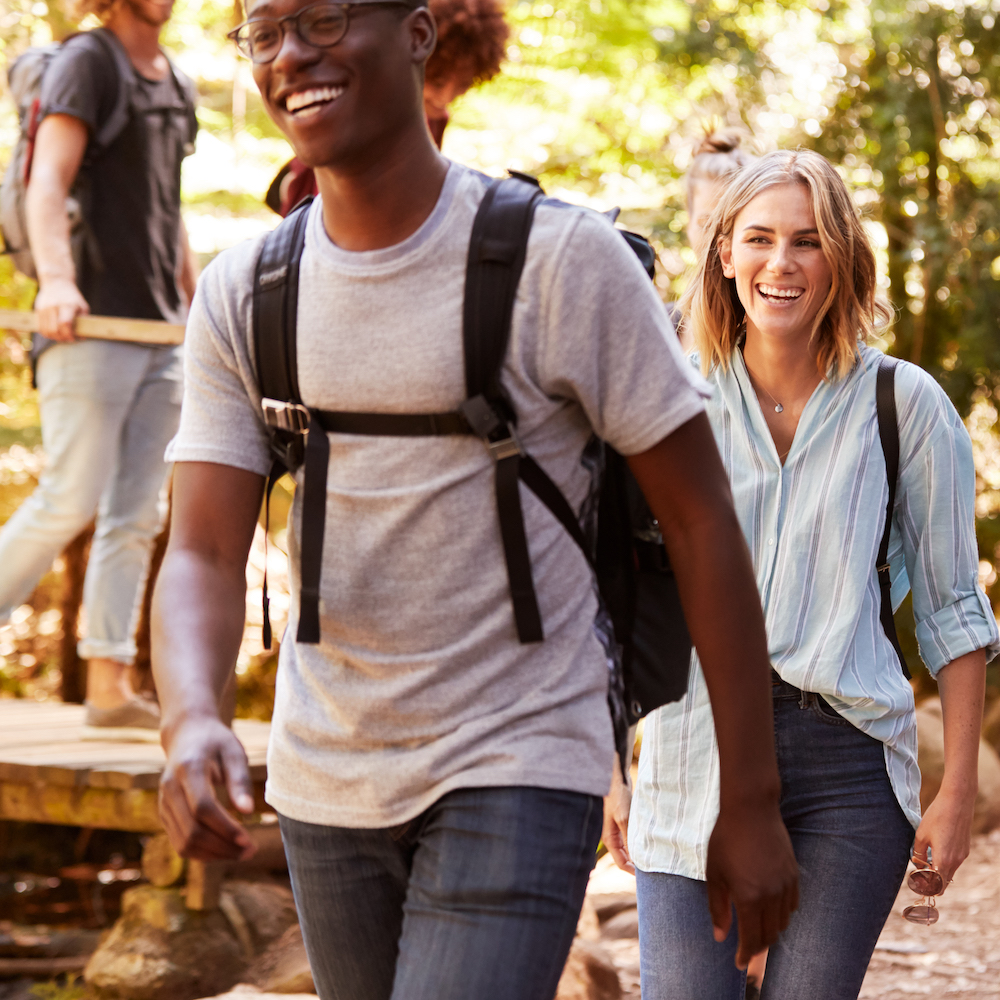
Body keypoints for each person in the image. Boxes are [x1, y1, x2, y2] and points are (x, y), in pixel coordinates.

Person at [151, 2, 798, 997]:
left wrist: (750, 798)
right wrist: (192, 715)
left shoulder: (559, 262)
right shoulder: (247, 292)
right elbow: (199, 547)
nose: (289, 56)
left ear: (416, 34)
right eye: (262, 32)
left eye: (321, 18)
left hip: (522, 753)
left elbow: (702, 516)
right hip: (326, 774)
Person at [607, 149, 1000, 1000]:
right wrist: (611, 763)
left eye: (808, 241)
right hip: (690, 752)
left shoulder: (906, 406)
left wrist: (956, 790)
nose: (781, 264)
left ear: (843, 259)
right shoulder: (668, 399)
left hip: (847, 764)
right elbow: (617, 593)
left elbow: (952, 612)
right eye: (759, 239)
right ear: (724, 254)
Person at [0, 0, 198, 737]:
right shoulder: (89, 60)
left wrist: (195, 296)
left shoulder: (173, 79)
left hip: (158, 330)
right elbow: (45, 182)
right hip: (87, 326)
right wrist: (56, 280)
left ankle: (109, 682)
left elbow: (166, 206)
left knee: (137, 514)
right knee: (69, 498)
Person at [263, 0, 508, 216]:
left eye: (462, 86)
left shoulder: (437, 118)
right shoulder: (363, 106)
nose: (446, 97)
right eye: (439, 81)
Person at [669, 126, 756, 348]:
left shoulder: (772, 332)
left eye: (732, 225)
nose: (720, 243)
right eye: (706, 224)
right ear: (688, 224)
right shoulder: (660, 325)